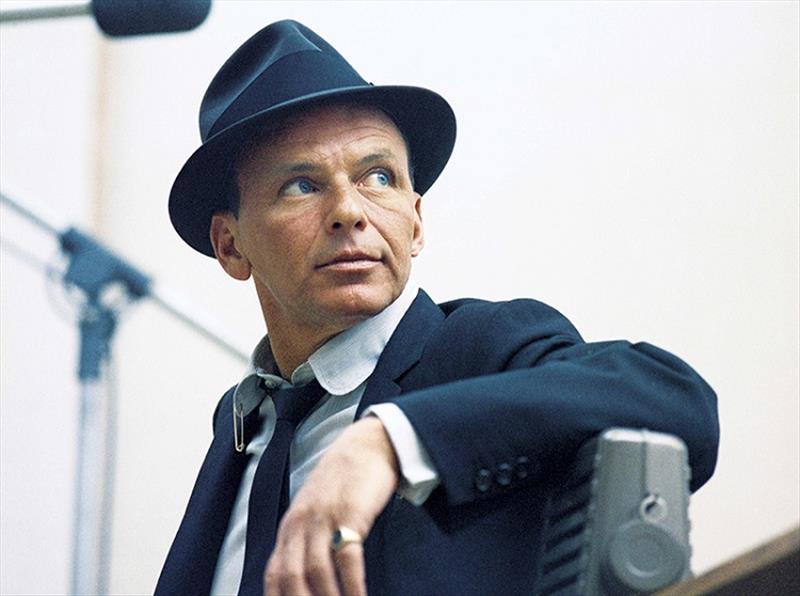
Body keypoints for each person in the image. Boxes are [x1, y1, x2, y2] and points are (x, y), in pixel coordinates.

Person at [155, 20, 719, 596]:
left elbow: (677, 400)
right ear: (231, 246)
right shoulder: (241, 423)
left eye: (378, 177)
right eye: (301, 185)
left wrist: (391, 442)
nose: (349, 211)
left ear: (416, 222)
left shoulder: (479, 346)